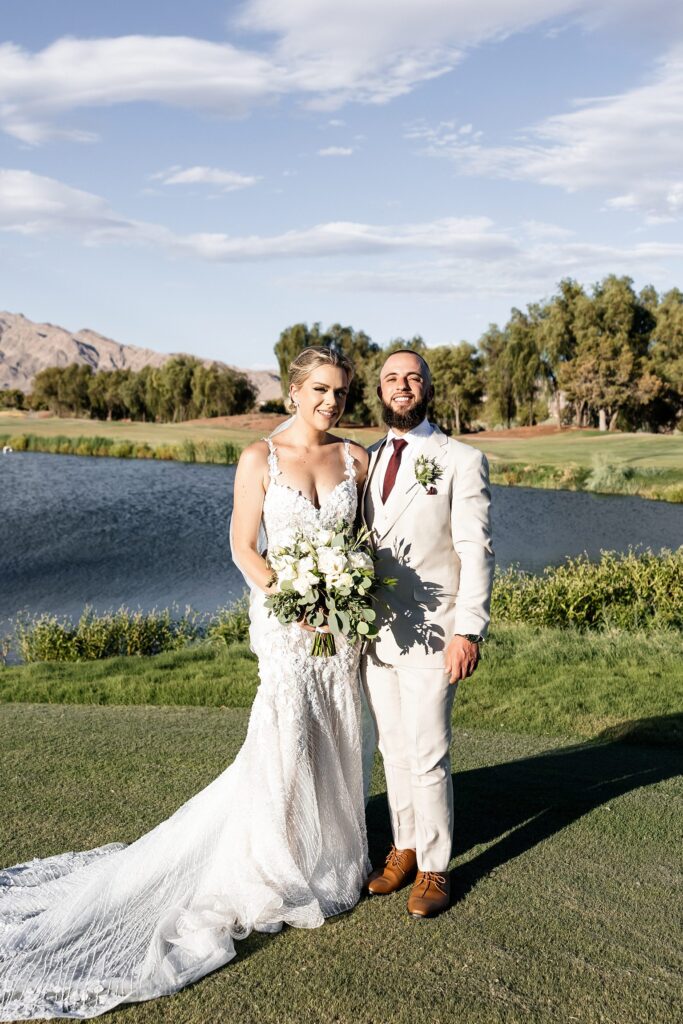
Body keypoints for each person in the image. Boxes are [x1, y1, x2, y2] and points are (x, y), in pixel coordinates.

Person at [0, 346, 370, 1021]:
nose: (330, 403)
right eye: (319, 389)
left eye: (341, 393)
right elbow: (242, 547)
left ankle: (329, 855)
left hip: (342, 625)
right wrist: (294, 599)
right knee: (284, 734)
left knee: (336, 727)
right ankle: (273, 866)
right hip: (286, 621)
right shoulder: (259, 458)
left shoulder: (356, 459)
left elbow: (365, 544)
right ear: (293, 391)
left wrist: (346, 593)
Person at [361, 349, 494, 919]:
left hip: (434, 632)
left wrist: (470, 629)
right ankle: (405, 847)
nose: (402, 386)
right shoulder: (363, 459)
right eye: (392, 378)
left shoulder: (460, 458)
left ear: (428, 388)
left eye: (413, 377)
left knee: (429, 754)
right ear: (380, 390)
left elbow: (475, 549)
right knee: (392, 749)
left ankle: (436, 867)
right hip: (373, 632)